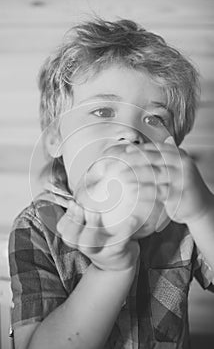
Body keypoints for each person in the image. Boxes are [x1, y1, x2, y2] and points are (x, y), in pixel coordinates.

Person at [8, 18, 214, 349]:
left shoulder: (182, 220)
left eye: (154, 119)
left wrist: (204, 212)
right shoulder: (37, 228)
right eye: (104, 111)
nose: (131, 133)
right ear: (55, 138)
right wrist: (111, 272)